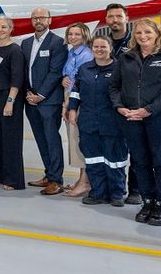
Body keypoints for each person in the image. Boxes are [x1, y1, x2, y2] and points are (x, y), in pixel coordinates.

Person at [112, 18, 161, 226]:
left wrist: (147, 110)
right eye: (139, 33)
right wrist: (120, 107)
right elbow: (114, 87)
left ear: (158, 34)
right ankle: (148, 199)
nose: (143, 37)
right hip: (130, 118)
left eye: (148, 33)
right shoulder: (126, 58)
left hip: (160, 118)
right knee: (140, 161)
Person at [68, 36, 128, 207]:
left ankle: (116, 193)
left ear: (110, 48)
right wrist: (72, 109)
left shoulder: (119, 68)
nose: (99, 49)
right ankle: (97, 192)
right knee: (93, 159)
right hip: (88, 121)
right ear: (91, 48)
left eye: (103, 46)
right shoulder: (85, 68)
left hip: (112, 122)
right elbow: (76, 91)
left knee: (115, 159)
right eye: (96, 46)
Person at [92, 3, 138, 204]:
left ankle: (135, 190)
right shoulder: (103, 41)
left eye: (118, 16)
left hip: (131, 103)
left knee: (136, 149)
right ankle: (109, 189)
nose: (114, 20)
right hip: (109, 104)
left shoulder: (136, 41)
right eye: (111, 17)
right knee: (112, 150)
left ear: (126, 18)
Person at [21, 7, 68, 195]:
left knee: (51, 139)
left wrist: (41, 95)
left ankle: (57, 180)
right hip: (30, 100)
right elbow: (23, 71)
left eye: (42, 17)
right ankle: (49, 175)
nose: (38, 20)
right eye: (35, 18)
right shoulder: (25, 43)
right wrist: (28, 93)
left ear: (49, 20)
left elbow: (56, 72)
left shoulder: (58, 43)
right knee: (41, 139)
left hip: (49, 101)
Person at [0, 16, 28, 190]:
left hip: (9, 97)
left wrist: (10, 101)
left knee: (11, 139)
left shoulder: (15, 51)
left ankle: (13, 180)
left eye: (4, 27)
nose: (0, 30)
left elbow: (17, 79)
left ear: (11, 29)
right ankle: (0, 174)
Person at [60, 23, 95, 198]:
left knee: (80, 141)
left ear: (84, 36)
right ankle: (81, 179)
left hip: (78, 101)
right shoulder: (71, 52)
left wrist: (68, 105)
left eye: (77, 34)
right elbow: (69, 75)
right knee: (75, 141)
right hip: (69, 97)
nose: (73, 37)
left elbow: (81, 82)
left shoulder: (86, 55)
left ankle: (85, 182)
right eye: (70, 34)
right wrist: (64, 79)